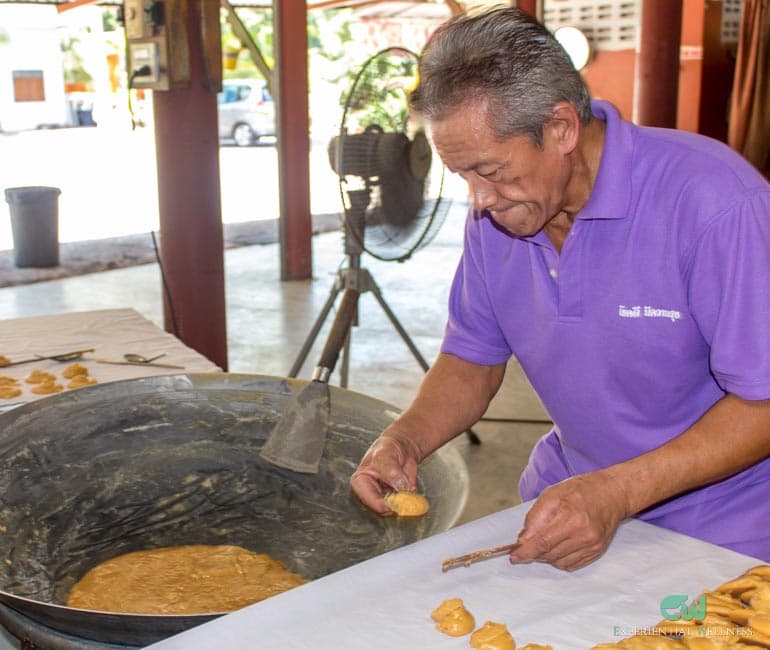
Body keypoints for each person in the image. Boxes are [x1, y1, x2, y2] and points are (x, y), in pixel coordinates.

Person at [350, 7, 770, 571]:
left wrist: (618, 491)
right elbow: (472, 358)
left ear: (563, 128)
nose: (478, 199)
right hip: (566, 503)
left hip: (720, 530)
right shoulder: (498, 216)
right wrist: (405, 439)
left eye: (491, 170)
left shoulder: (714, 204)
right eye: (463, 176)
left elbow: (763, 403)